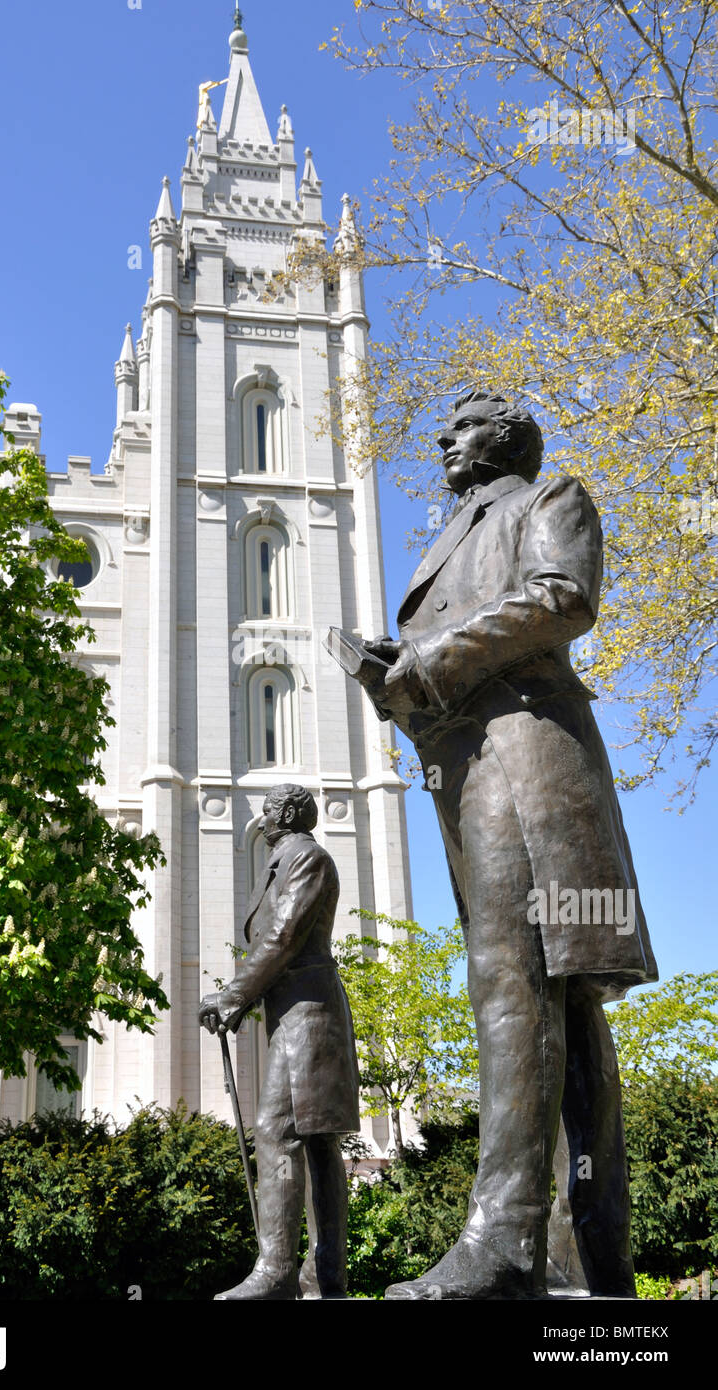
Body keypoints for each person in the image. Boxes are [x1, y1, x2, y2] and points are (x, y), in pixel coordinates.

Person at [359, 390, 657, 1300]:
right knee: (549, 998)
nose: (443, 435)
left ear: (508, 438)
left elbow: (562, 599)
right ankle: (591, 1254)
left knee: (516, 980)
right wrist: (394, 671)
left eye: (465, 422)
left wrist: (433, 661)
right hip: (467, 763)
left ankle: (504, 1244)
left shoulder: (545, 497)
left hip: (526, 757)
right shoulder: (457, 531)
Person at [199, 783, 360, 1301]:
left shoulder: (305, 858)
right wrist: (243, 999)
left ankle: (276, 1272)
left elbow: (284, 936)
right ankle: (324, 1280)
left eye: (269, 809)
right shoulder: (281, 863)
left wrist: (233, 996)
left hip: (307, 1016)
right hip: (293, 1013)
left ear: (288, 812)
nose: (263, 816)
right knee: (315, 1141)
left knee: (278, 1132)